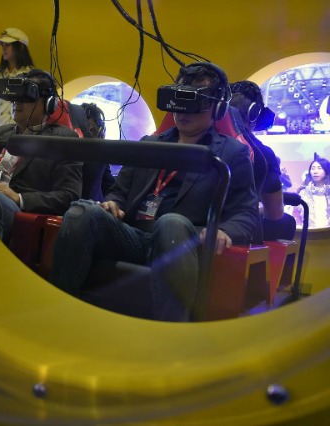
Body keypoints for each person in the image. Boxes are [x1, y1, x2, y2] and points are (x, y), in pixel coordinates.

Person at [48, 62, 259, 322]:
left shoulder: (231, 154)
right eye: (178, 98)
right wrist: (112, 203)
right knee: (82, 211)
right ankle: (61, 314)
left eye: (193, 101)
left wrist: (225, 231)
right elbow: (119, 191)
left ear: (217, 108)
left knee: (171, 223)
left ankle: (172, 335)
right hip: (135, 236)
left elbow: (246, 214)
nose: (183, 110)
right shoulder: (150, 144)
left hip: (185, 242)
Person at [0, 69, 82, 243]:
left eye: (27, 96)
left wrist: (18, 198)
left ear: (49, 104)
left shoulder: (64, 140)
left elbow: (69, 195)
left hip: (18, 214)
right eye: (16, 95)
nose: (16, 102)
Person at [229, 80, 295, 240]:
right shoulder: (263, 155)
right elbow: (274, 214)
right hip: (237, 231)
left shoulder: (204, 140)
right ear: (254, 113)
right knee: (288, 222)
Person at [0, 28, 35, 129]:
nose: (3, 49)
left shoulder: (31, 75)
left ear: (21, 47)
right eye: (2, 45)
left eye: (8, 45)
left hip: (18, 132)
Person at [77, 102, 115, 201]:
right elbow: (108, 184)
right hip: (92, 207)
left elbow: (107, 182)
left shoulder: (61, 145)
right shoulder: (100, 151)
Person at [295, 157, 330, 229]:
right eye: (313, 168)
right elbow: (296, 213)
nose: (315, 171)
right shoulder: (304, 192)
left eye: (319, 168)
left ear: (326, 171)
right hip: (310, 233)